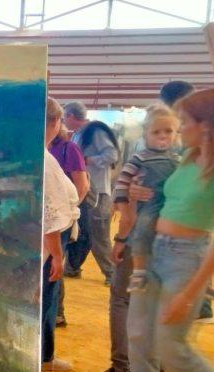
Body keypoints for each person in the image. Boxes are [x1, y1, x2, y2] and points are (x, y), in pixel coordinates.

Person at [106, 88, 214, 372]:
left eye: (185, 121)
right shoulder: (185, 158)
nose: (180, 128)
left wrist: (192, 292)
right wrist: (140, 195)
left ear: (206, 125)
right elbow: (162, 197)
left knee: (171, 346)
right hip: (152, 251)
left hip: (187, 259)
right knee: (139, 338)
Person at [112, 106, 180, 293]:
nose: (162, 136)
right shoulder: (140, 158)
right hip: (149, 206)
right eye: (156, 132)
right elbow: (122, 181)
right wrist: (123, 206)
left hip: (169, 209)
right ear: (145, 135)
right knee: (142, 228)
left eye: (168, 131)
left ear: (176, 134)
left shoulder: (178, 160)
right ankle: (139, 271)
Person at [41, 97, 81, 372]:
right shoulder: (43, 160)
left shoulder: (44, 155)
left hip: (54, 238)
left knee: (50, 299)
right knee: (43, 300)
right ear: (55, 122)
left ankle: (45, 355)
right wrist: (56, 253)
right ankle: (37, 358)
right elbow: (49, 213)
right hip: (48, 242)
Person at [63, 101, 118, 284]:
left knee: (99, 236)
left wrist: (86, 160)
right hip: (85, 192)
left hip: (98, 193)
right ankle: (72, 268)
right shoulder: (79, 134)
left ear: (71, 116)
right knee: (81, 233)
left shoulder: (95, 131)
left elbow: (112, 155)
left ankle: (112, 274)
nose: (63, 121)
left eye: (64, 117)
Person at [49, 126, 89, 327]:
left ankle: (58, 313)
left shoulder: (69, 148)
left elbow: (83, 185)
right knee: (51, 266)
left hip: (61, 219)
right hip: (48, 219)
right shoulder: (43, 149)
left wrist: (69, 212)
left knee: (54, 265)